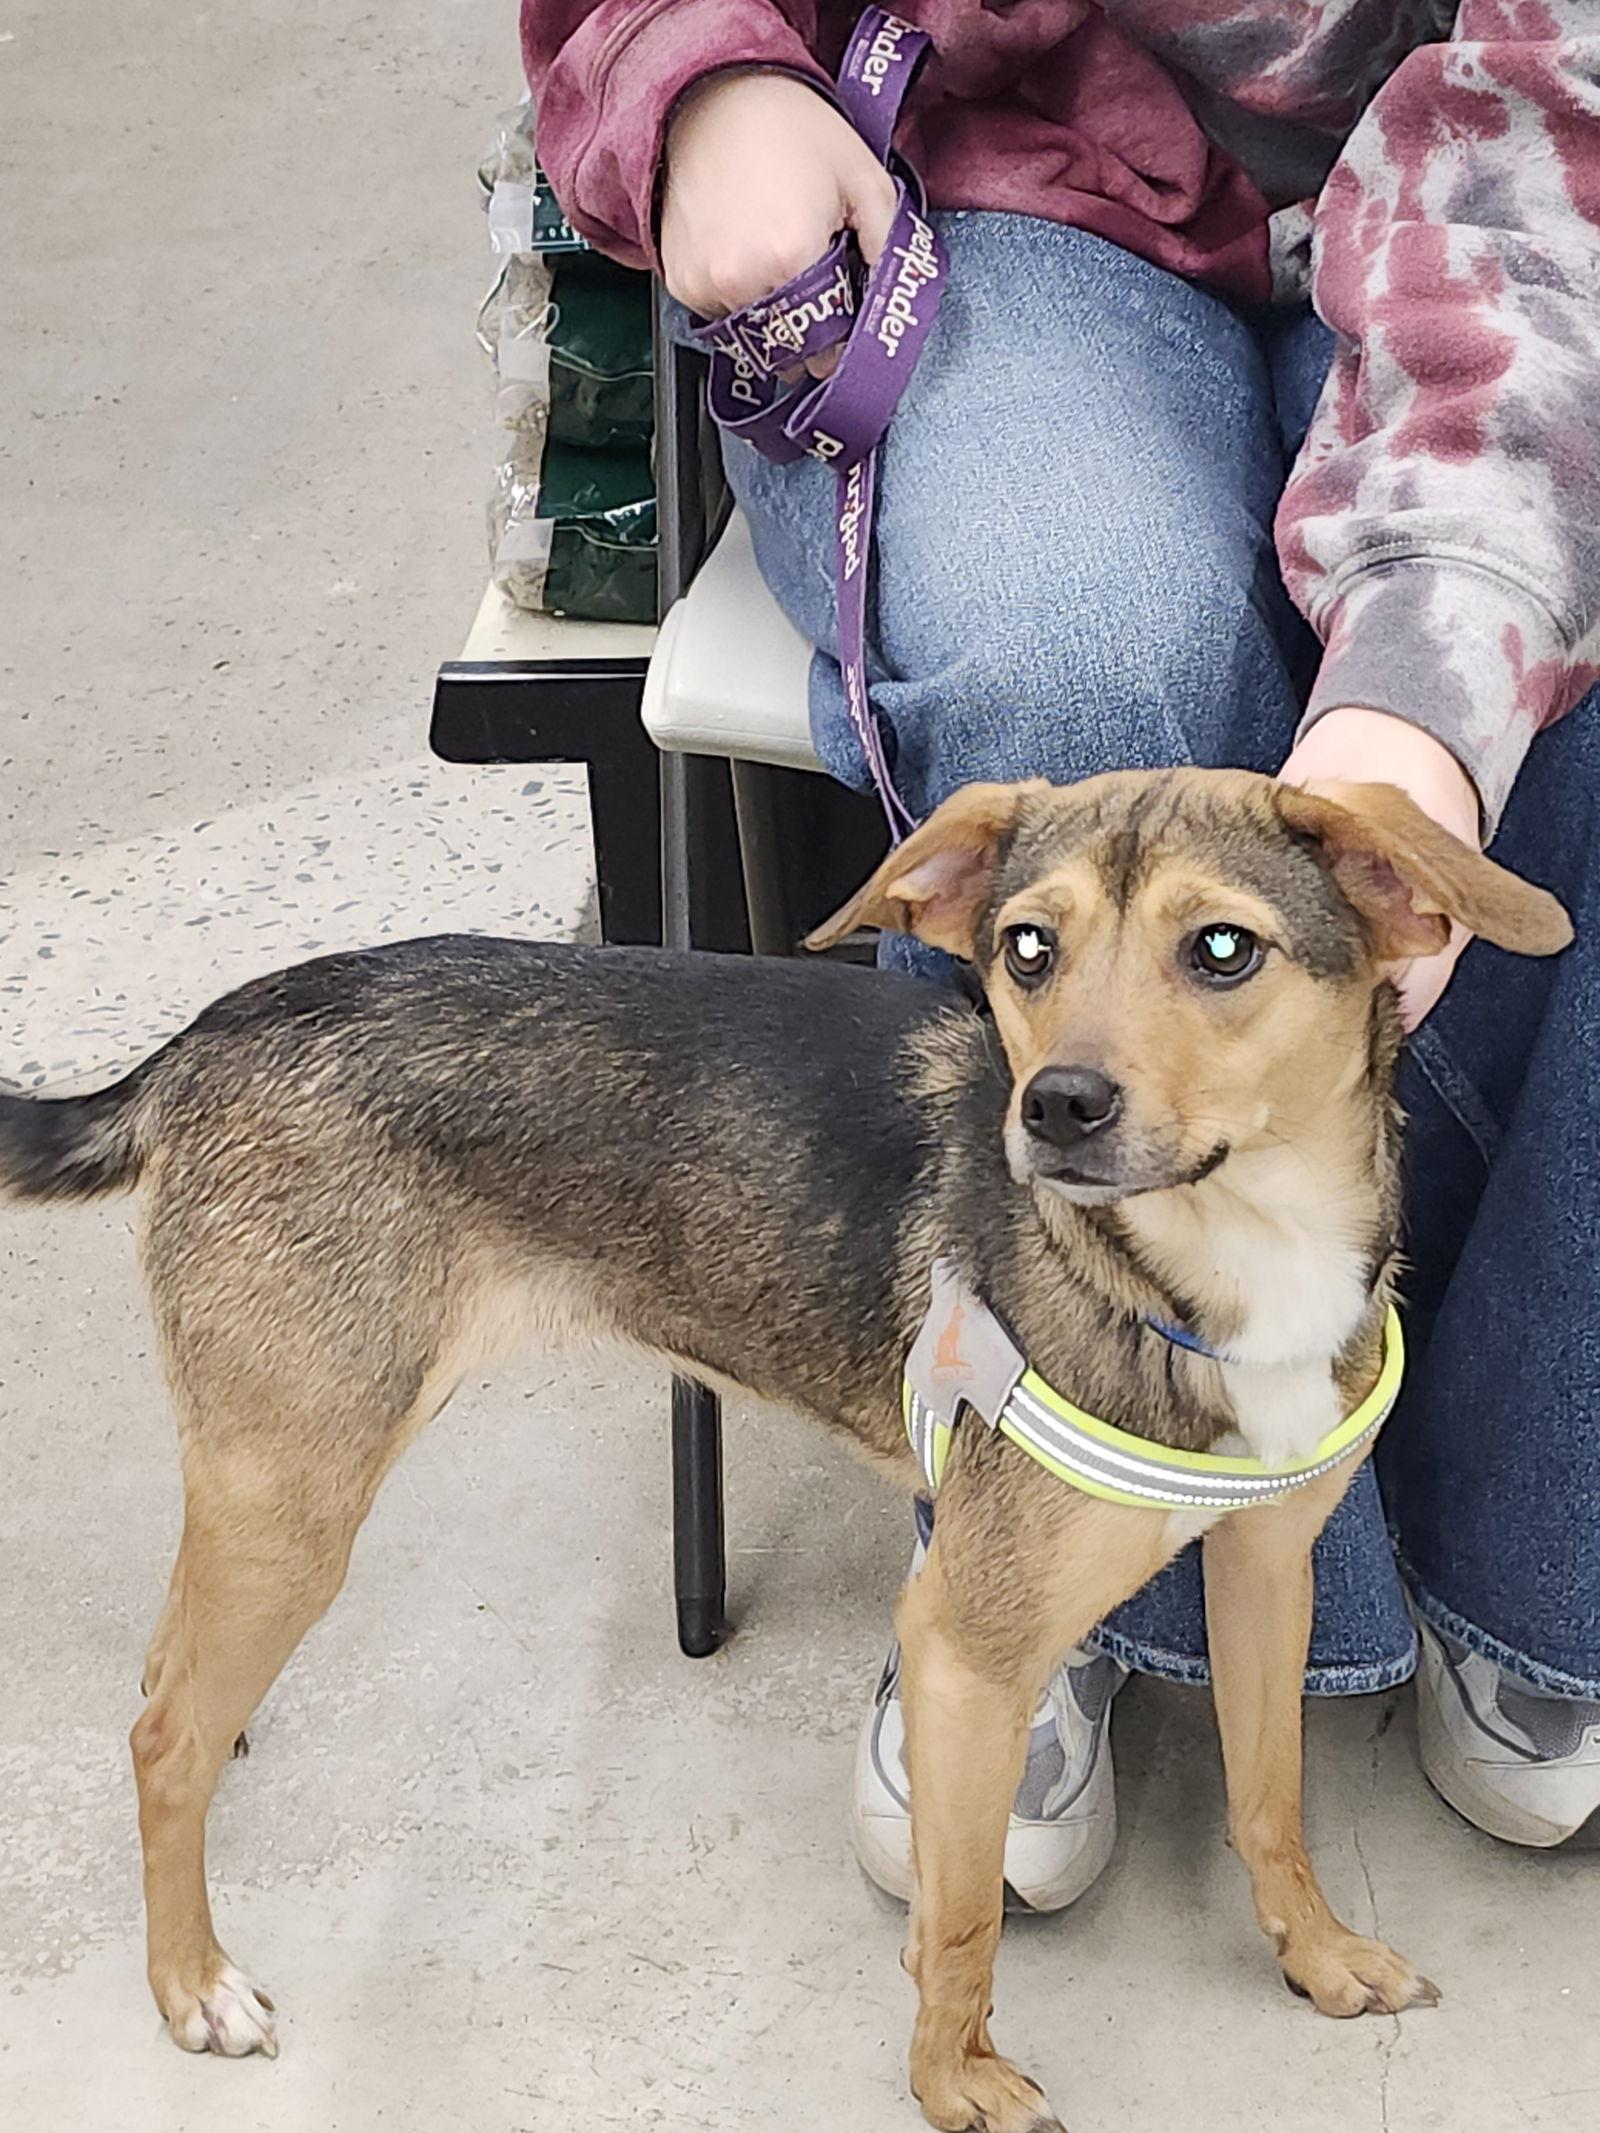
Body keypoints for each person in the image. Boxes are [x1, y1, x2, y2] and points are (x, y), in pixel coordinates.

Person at [521, 1, 1600, 1896]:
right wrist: (703, 72)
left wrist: (1427, 687)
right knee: (1088, 679)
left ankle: (1543, 1555)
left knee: (1512, 718)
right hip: (1004, 173)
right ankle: (1043, 1567)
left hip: (1538, 192)